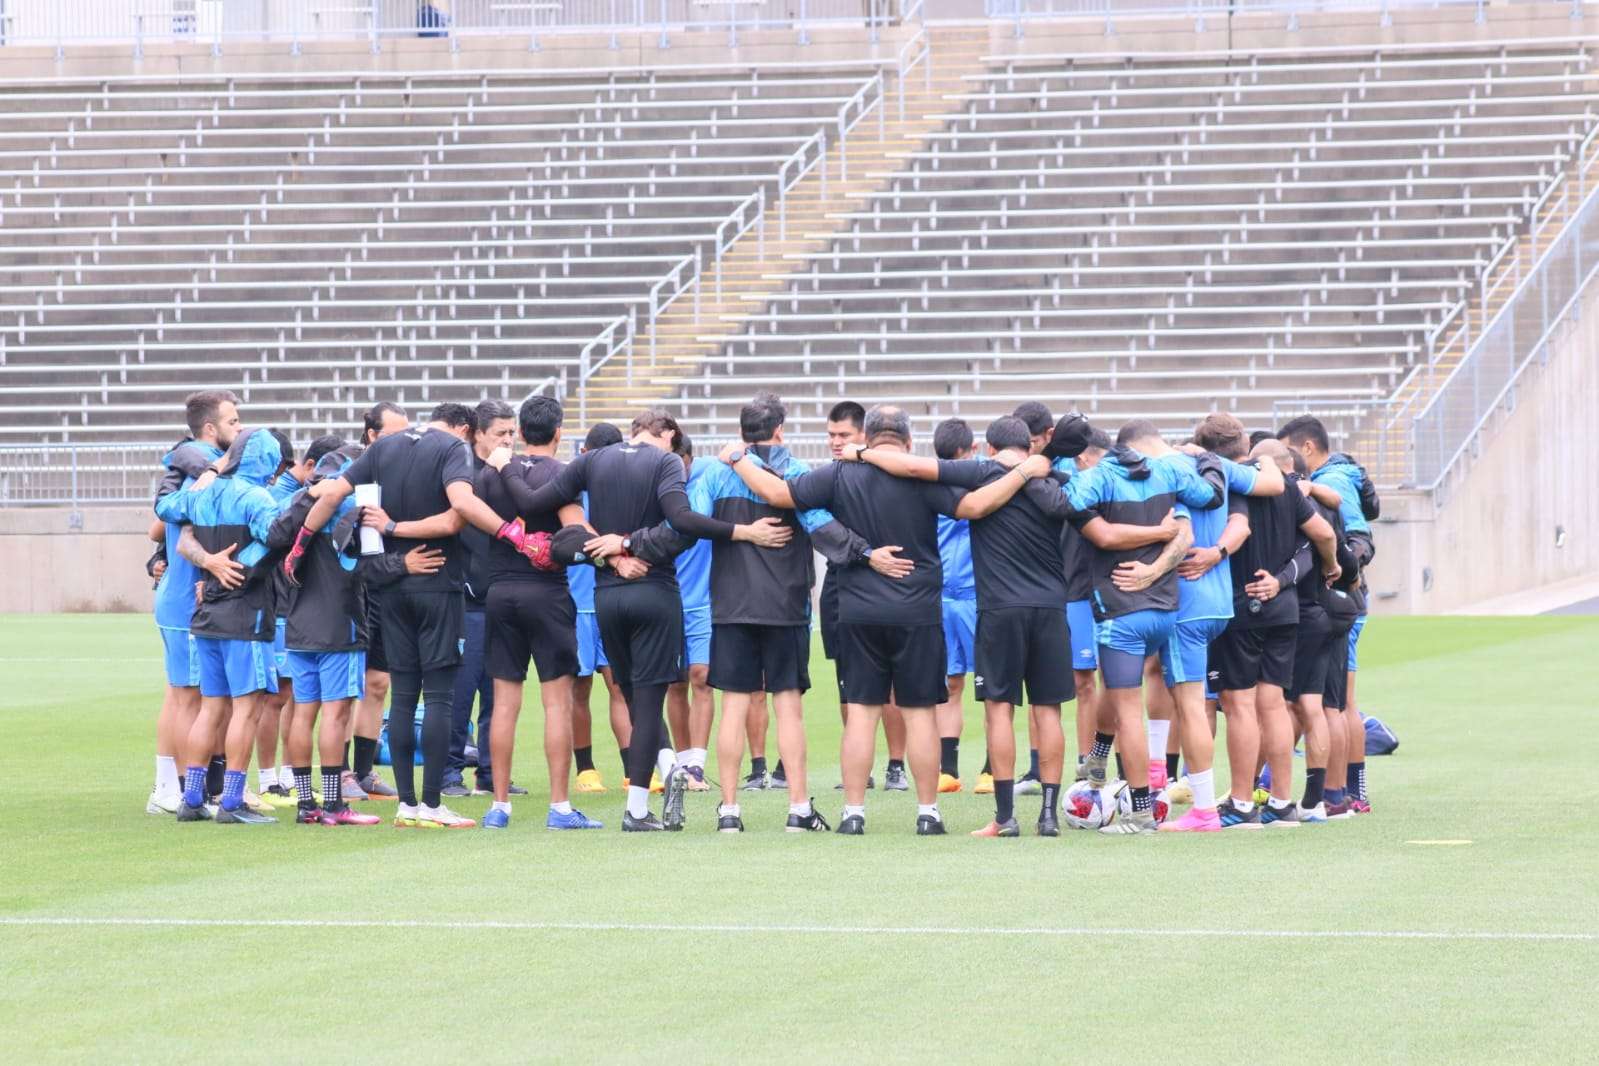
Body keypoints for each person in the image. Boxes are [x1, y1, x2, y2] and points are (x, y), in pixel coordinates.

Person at [729, 404, 1048, 835]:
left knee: (861, 712)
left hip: (858, 610)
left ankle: (853, 814)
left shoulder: (839, 473)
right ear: (909, 441)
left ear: (867, 436)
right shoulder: (919, 478)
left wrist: (738, 459)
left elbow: (779, 494)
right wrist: (1024, 472)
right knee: (919, 714)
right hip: (917, 610)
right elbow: (974, 507)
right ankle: (927, 813)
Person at [489, 408, 793, 831]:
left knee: (629, 696)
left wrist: (505, 466)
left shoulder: (593, 460)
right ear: (666, 435)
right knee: (648, 701)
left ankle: (666, 767)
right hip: (654, 593)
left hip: (607, 596)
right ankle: (636, 809)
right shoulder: (666, 462)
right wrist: (741, 532)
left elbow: (534, 505)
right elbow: (683, 523)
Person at [847, 416, 1083, 838]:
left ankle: (1006, 817)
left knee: (999, 711)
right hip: (1051, 607)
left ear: (989, 448)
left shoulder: (982, 471)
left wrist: (863, 452)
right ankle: (1048, 815)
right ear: (1028, 446)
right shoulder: (1055, 479)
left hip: (998, 609)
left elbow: (915, 468)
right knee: (1049, 712)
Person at [294, 402, 520, 830]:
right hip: (437, 582)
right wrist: (511, 533)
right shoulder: (452, 449)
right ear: (466, 429)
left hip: (391, 590)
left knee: (401, 698)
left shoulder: (383, 448)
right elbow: (458, 512)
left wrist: (301, 542)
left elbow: (332, 493)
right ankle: (431, 806)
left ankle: (407, 805)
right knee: (438, 696)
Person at [696, 394, 866, 832]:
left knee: (733, 705)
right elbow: (823, 530)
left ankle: (729, 811)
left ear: (741, 432)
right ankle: (797, 808)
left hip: (732, 605)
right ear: (779, 431)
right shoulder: (797, 473)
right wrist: (865, 555)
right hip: (786, 605)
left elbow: (692, 521)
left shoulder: (715, 472)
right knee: (788, 706)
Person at [1056, 419, 1224, 835]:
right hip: (1168, 610)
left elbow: (1068, 505)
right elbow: (1208, 497)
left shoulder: (1098, 477)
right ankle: (1102, 752)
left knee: (1127, 706)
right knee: (1175, 700)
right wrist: (1205, 460)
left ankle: (1140, 812)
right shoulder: (1171, 473)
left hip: (1120, 611)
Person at [1149, 414, 1285, 833]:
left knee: (1189, 704)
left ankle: (1200, 806)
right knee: (1208, 703)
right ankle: (1184, 789)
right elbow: (1273, 481)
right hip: (1221, 603)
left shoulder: (1172, 469)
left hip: (1186, 602)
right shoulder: (1225, 471)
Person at [474, 395, 598, 831]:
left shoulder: (488, 477)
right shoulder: (561, 474)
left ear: (521, 432)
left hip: (500, 592)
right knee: (556, 704)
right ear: (559, 433)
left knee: (504, 705)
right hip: (546, 594)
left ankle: (499, 805)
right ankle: (561, 807)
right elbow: (576, 534)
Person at [265, 442, 405, 827]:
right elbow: (367, 569)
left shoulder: (296, 501)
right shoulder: (353, 506)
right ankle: (333, 805)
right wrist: (405, 563)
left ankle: (305, 803)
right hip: (339, 625)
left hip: (296, 624)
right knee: (336, 712)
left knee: (302, 712)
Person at [157, 429, 288, 825]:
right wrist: (243, 565)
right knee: (246, 711)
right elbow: (275, 536)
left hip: (206, 613)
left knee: (211, 709)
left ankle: (192, 797)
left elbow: (166, 509)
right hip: (246, 614)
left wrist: (211, 562)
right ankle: (232, 799)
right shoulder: (257, 497)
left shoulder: (204, 493)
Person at [1209, 438, 1341, 829]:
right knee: (1274, 705)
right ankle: (1283, 803)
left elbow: (1240, 530)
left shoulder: (1237, 486)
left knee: (1240, 706)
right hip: (1285, 611)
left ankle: (1242, 803)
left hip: (1243, 604)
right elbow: (1325, 535)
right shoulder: (1289, 491)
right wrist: (1330, 566)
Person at [1277, 415, 1378, 814]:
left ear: (1304, 448)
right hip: (1341, 601)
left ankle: (1342, 793)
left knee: (1334, 704)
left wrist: (1343, 571)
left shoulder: (1330, 481)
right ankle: (1346, 794)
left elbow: (1356, 539)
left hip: (1332, 599)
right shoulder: (1336, 480)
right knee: (1331, 703)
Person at [146, 390, 241, 815]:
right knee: (188, 699)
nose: (238, 431)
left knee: (184, 695)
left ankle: (174, 786)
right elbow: (172, 528)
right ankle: (178, 789)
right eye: (233, 423)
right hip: (186, 600)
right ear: (210, 429)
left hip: (181, 599)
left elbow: (158, 528)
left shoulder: (196, 468)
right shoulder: (199, 470)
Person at [811, 400, 913, 792]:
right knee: (849, 680)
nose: (836, 443)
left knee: (893, 683)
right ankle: (862, 769)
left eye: (844, 436)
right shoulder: (830, 478)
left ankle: (896, 765)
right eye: (831, 436)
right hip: (843, 582)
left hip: (895, 579)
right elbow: (816, 525)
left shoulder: (895, 473)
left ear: (863, 438)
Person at [441, 400, 516, 801]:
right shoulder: (461, 474)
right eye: (500, 433)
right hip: (468, 599)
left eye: (511, 432)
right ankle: (450, 772)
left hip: (504, 597)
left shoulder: (512, 473)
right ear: (477, 434)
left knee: (499, 691)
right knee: (460, 690)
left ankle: (491, 772)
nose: (508, 440)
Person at [342, 400, 411, 803]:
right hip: (357, 590)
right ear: (371, 436)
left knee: (378, 682)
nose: (402, 442)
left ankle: (365, 770)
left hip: (389, 587)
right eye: (392, 435)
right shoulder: (355, 473)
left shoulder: (405, 472)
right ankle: (343, 771)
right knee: (350, 686)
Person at [1044, 419, 1110, 784]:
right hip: (1076, 591)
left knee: (1116, 682)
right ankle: (1085, 764)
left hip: (1115, 592)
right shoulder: (1065, 485)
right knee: (1083, 680)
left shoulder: (1112, 483)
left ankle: (1100, 762)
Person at [568, 422, 627, 794]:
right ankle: (586, 768)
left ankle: (633, 768)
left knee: (620, 686)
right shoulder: (569, 492)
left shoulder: (627, 491)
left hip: (613, 599)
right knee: (580, 687)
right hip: (575, 604)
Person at [1010, 401, 1057, 795]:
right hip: (1031, 600)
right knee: (1030, 699)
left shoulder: (1064, 477)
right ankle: (1034, 769)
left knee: (1054, 697)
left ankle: (1087, 763)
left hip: (1066, 594)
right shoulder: (1006, 474)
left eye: (1034, 441)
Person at [666, 434, 716, 791]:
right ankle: (681, 765)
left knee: (701, 675)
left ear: (688, 458)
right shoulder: (654, 483)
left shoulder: (710, 473)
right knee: (673, 683)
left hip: (703, 598)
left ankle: (697, 762)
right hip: (665, 597)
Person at [932, 419, 977, 795]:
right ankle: (947, 769)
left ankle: (995, 768)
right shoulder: (928, 489)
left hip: (980, 595)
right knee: (949, 682)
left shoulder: (989, 483)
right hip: (942, 595)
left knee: (993, 683)